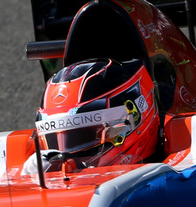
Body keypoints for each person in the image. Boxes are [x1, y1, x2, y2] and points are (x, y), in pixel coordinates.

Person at [32, 58, 162, 170]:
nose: (67, 161)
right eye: (54, 141)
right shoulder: (33, 169)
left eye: (83, 136)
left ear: (133, 118)